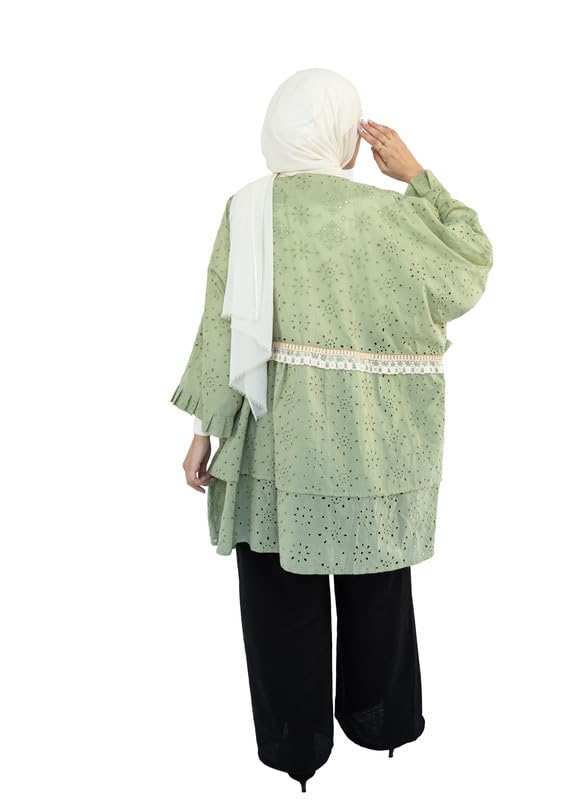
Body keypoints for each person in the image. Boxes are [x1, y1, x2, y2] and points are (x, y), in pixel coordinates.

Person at [169, 67, 493, 791]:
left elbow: (220, 328)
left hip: (275, 442)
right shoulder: (392, 217)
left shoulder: (248, 209)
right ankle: (383, 724)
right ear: (346, 135)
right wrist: (419, 177)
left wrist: (203, 430)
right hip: (374, 445)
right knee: (377, 587)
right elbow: (470, 262)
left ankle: (296, 747)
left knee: (278, 595)